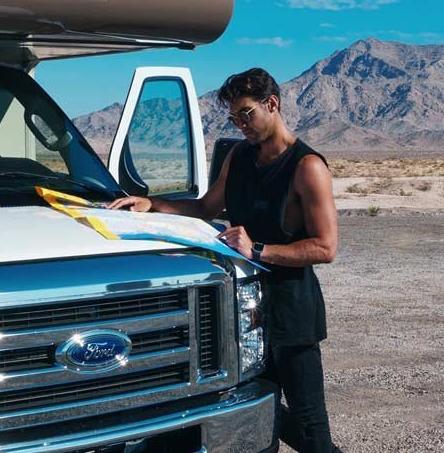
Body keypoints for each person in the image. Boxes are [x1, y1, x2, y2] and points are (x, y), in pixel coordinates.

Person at [106, 68, 343, 453]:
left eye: (246, 114)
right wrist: (153, 205)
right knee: (256, 419)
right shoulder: (239, 156)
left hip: (292, 314)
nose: (241, 124)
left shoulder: (307, 167)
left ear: (272, 104)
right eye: (234, 118)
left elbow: (325, 247)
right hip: (244, 310)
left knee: (311, 427)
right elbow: (204, 207)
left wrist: (259, 250)